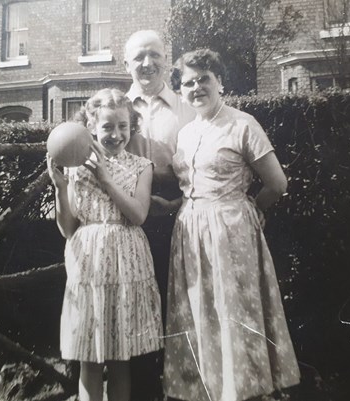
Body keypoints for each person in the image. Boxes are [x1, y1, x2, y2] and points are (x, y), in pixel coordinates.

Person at [162, 49, 301, 401]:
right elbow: (197, 187)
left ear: (220, 81)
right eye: (188, 83)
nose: (196, 88)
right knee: (199, 313)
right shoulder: (186, 133)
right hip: (190, 234)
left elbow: (278, 184)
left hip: (230, 232)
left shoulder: (242, 124)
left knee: (233, 311)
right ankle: (208, 391)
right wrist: (176, 204)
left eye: (203, 79)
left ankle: (244, 391)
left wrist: (250, 206)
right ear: (181, 90)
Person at [47, 88, 163, 401]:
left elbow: (138, 214)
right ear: (92, 128)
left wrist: (107, 179)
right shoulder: (73, 166)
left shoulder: (141, 166)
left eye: (122, 126)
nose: (115, 134)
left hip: (127, 261)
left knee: (120, 357)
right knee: (90, 357)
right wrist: (60, 188)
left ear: (131, 127)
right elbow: (68, 229)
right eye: (107, 127)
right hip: (88, 264)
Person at [123, 30, 195, 400]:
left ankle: (181, 390)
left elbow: (203, 161)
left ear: (168, 60)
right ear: (126, 64)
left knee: (179, 304)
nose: (147, 63)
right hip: (132, 216)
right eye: (139, 57)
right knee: (137, 307)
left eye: (154, 55)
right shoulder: (116, 108)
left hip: (182, 213)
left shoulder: (188, 106)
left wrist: (181, 201)